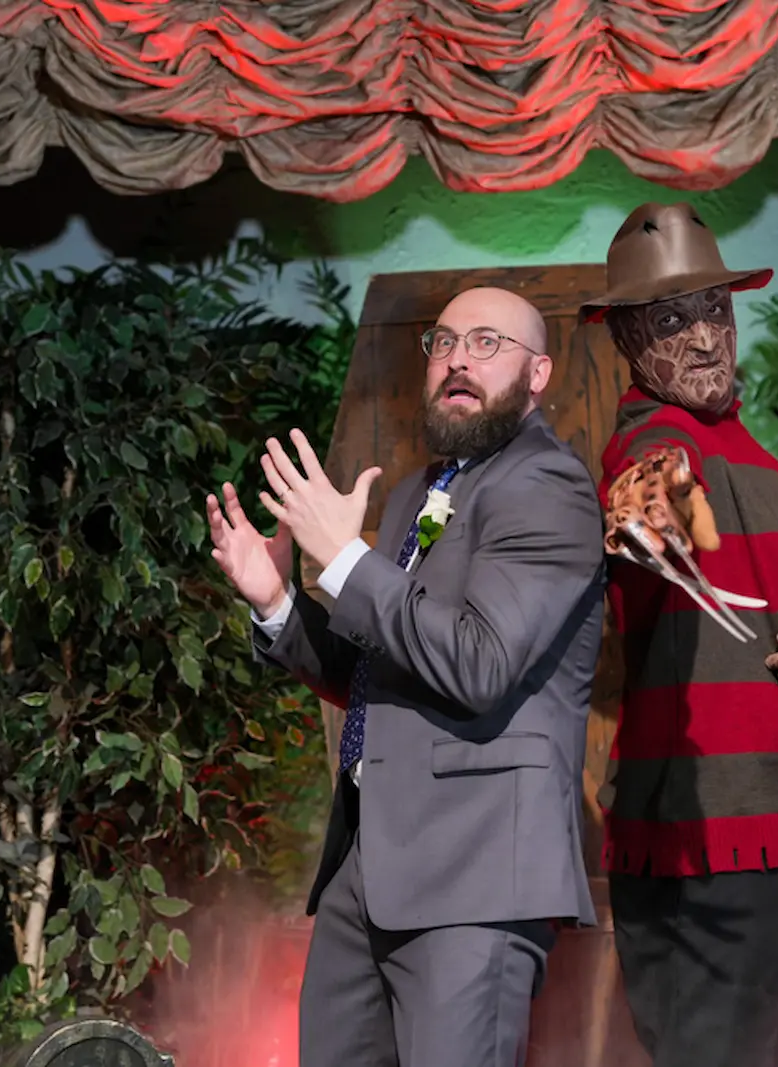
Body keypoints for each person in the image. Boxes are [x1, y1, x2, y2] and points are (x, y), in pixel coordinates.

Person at [206, 286, 605, 1067]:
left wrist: (346, 558)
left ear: (539, 374)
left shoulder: (548, 487)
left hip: (474, 878)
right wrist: (279, 599)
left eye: (487, 343)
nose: (457, 359)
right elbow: (381, 672)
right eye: (444, 343)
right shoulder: (420, 496)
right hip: (369, 869)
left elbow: (478, 661)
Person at [581, 203, 778, 1066]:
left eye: (716, 308)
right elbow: (645, 499)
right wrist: (654, 511)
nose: (707, 336)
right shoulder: (650, 443)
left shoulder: (768, 468)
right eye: (674, 318)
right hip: (697, 836)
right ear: (628, 339)